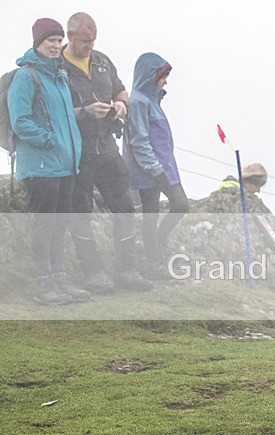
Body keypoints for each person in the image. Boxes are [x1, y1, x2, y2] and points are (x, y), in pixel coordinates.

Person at [62, 12, 153, 293]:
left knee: (125, 207)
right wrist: (85, 112)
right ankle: (93, 273)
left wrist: (120, 105)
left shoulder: (102, 61)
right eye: (84, 41)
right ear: (70, 36)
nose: (89, 46)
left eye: (92, 40)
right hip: (78, 152)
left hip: (108, 149)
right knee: (80, 212)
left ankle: (127, 270)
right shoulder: (57, 67)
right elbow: (53, 111)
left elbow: (121, 90)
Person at [8, 18, 87, 305]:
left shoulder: (60, 77)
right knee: (44, 225)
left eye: (57, 41)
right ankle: (44, 283)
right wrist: (50, 140)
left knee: (60, 223)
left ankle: (59, 277)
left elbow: (66, 119)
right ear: (38, 44)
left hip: (65, 165)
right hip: (41, 166)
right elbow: (21, 122)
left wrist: (71, 147)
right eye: (49, 41)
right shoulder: (26, 77)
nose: (55, 46)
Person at [124, 52, 189, 280]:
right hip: (149, 169)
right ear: (150, 76)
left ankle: (157, 247)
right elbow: (139, 141)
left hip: (165, 167)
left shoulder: (152, 100)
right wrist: (155, 169)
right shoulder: (139, 102)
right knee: (153, 212)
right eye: (162, 76)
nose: (165, 81)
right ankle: (154, 261)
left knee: (179, 205)